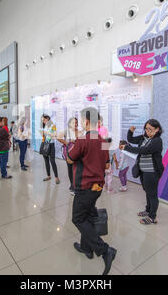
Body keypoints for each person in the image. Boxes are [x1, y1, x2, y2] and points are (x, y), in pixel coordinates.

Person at [66, 107, 117, 275]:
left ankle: (104, 250)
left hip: (85, 187)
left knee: (77, 218)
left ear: (86, 122)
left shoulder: (82, 140)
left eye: (81, 121)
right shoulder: (102, 139)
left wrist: (70, 146)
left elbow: (69, 158)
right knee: (87, 215)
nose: (80, 123)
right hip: (97, 187)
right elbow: (107, 165)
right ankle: (86, 248)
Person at [121, 119, 164, 225]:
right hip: (143, 171)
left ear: (157, 129)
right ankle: (148, 210)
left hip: (152, 171)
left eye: (150, 129)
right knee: (147, 191)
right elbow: (131, 139)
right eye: (146, 129)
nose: (148, 131)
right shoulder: (144, 137)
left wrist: (127, 148)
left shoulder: (157, 141)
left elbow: (145, 150)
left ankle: (152, 217)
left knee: (152, 194)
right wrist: (130, 131)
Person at [57, 117, 82, 195]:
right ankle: (72, 186)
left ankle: (77, 185)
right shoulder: (66, 131)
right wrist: (66, 142)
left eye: (77, 123)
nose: (76, 124)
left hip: (77, 153)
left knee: (77, 169)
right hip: (68, 153)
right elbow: (58, 137)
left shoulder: (79, 131)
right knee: (70, 169)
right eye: (74, 123)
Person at [40, 114, 60, 184]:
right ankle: (48, 176)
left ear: (48, 118)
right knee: (46, 161)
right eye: (43, 121)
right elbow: (45, 135)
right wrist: (43, 134)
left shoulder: (53, 125)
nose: (44, 122)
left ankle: (56, 177)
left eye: (44, 120)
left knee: (52, 161)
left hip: (51, 145)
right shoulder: (44, 125)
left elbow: (55, 135)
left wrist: (47, 133)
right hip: (45, 144)